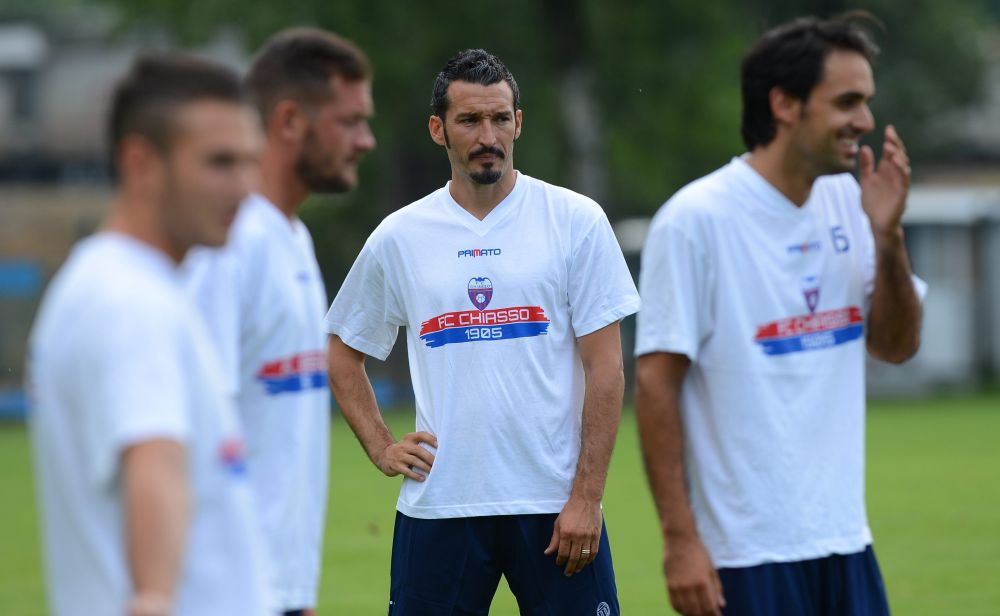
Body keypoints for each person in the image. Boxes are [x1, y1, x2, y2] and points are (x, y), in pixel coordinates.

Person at [324, 49, 639, 615]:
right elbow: (343, 353)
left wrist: (587, 497)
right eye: (469, 120)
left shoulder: (575, 221)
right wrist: (381, 445)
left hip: (553, 506)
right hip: (440, 507)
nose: (487, 135)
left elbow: (606, 369)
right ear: (438, 130)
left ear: (519, 122)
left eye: (499, 118)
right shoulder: (401, 235)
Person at [635, 13, 925, 616]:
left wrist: (889, 237)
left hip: (846, 542)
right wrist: (681, 542)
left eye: (866, 102)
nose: (865, 122)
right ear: (785, 104)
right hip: (744, 556)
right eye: (847, 101)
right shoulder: (695, 220)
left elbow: (895, 346)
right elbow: (656, 384)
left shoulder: (852, 201)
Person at [27, 55, 269, 616]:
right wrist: (154, 598)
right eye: (220, 163)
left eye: (251, 162)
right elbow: (153, 462)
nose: (245, 188)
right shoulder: (129, 302)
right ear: (141, 163)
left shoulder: (126, 287)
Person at [183, 28, 376, 616]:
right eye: (349, 121)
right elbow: (190, 437)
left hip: (277, 592)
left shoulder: (292, 237)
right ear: (289, 121)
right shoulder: (225, 246)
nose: (366, 141)